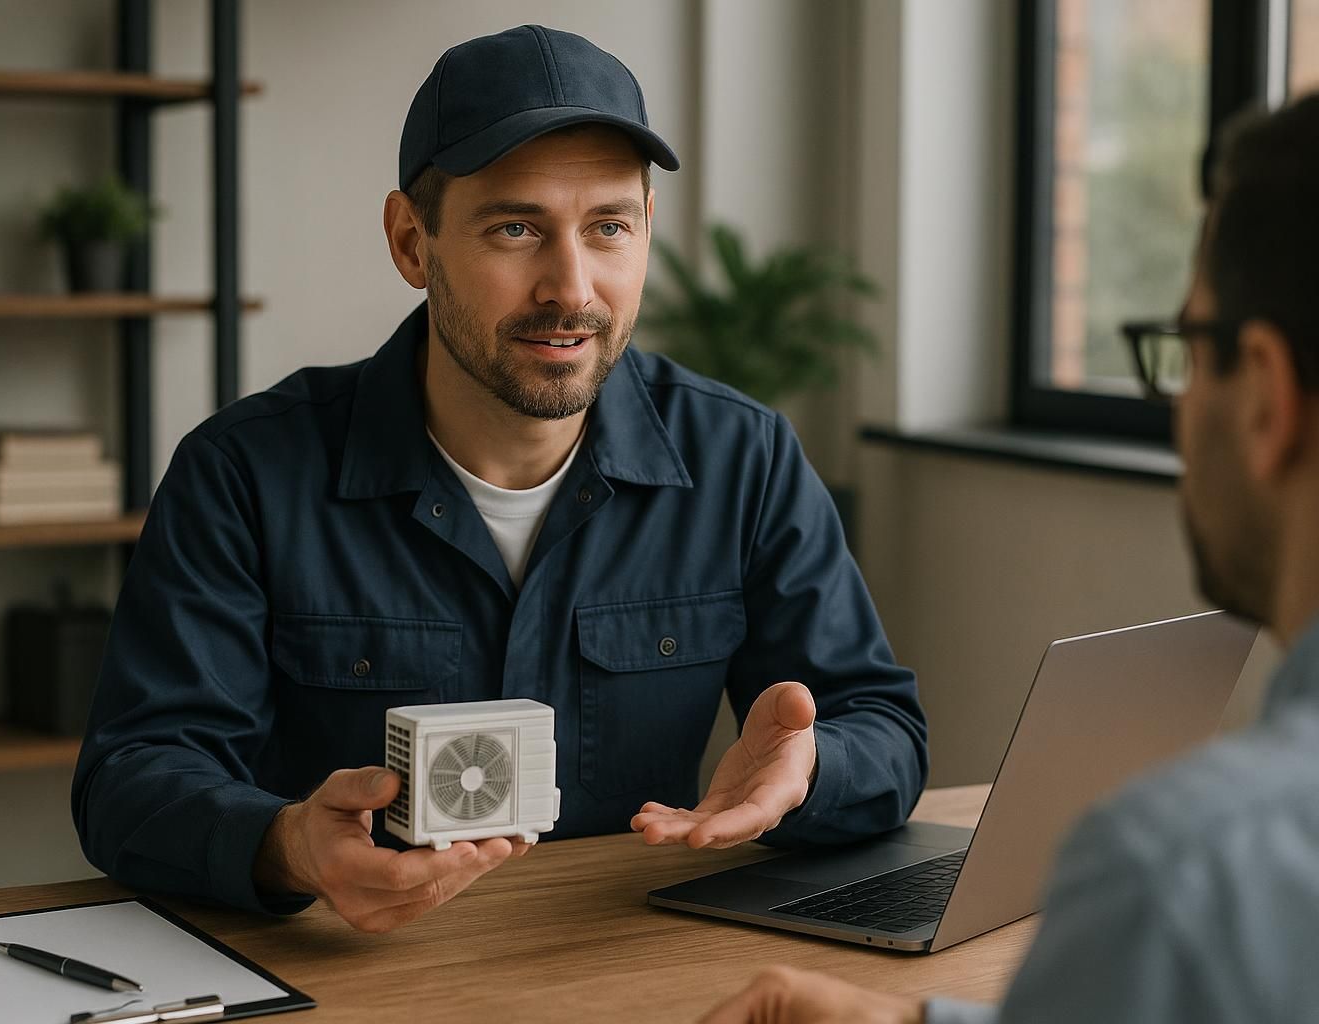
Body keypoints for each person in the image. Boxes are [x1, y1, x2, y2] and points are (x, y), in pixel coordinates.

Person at [72, 24, 927, 935]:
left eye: (609, 228)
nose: (572, 286)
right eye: (516, 228)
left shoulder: (743, 459)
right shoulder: (243, 474)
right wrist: (286, 845)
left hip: (622, 967)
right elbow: (136, 775)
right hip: (347, 974)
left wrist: (808, 770)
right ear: (412, 242)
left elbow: (878, 725)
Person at [700, 93, 1319, 1024]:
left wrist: (815, 766)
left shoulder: (1180, 876)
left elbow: (878, 724)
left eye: (1188, 349)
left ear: (1267, 397)